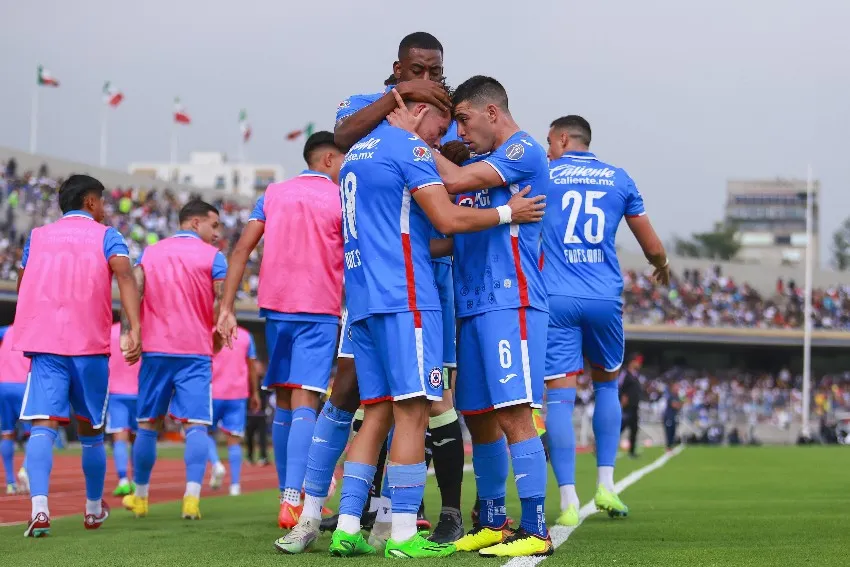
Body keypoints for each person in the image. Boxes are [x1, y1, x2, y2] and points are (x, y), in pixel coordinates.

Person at [327, 88, 543, 560]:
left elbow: (424, 228)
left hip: (362, 298)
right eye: (444, 126)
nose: (449, 137)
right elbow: (445, 214)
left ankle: (347, 526)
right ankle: (404, 532)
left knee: (377, 413)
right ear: (419, 112)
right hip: (407, 299)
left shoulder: (354, 156)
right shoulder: (407, 148)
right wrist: (509, 212)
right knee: (414, 411)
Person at [277, 31, 463, 555]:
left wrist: (442, 145)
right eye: (419, 71)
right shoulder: (370, 112)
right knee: (354, 397)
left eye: (436, 73)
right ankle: (314, 514)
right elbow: (343, 134)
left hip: (407, 275)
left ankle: (361, 523)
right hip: (395, 285)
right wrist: (404, 106)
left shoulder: (424, 131)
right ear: (399, 68)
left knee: (395, 406)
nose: (430, 80)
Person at [406, 76, 553, 558]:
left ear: (492, 112)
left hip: (511, 302)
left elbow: (452, 182)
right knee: (478, 415)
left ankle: (535, 527)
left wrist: (413, 141)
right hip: (471, 306)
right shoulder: (480, 164)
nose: (461, 131)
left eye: (465, 119)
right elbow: (456, 229)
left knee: (513, 412)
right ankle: (492, 519)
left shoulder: (524, 150)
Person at [540, 115, 670, 526]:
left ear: (563, 139)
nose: (547, 150)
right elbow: (650, 245)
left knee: (559, 397)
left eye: (549, 142)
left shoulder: (544, 173)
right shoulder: (619, 179)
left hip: (556, 296)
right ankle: (607, 486)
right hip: (603, 297)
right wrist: (661, 264)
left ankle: (567, 500)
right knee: (607, 385)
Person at [217, 132, 345, 529]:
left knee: (287, 401)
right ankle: (295, 500)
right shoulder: (340, 197)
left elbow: (241, 250)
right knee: (307, 397)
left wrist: (225, 307)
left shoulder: (272, 194)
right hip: (318, 306)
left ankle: (289, 496)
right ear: (327, 159)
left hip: (275, 307)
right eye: (343, 160)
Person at [14, 174, 142, 537]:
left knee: (43, 424)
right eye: (101, 202)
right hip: (89, 344)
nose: (104, 209)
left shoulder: (37, 237)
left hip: (45, 343)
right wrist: (133, 328)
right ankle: (91, 509)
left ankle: (39, 509)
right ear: (90, 202)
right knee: (90, 430)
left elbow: (24, 286)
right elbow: (126, 277)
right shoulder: (107, 236)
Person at [121, 199, 226, 521]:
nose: (217, 233)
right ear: (196, 223)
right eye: (214, 225)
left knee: (147, 425)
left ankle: (140, 498)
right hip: (195, 351)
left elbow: (133, 290)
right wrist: (218, 338)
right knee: (196, 426)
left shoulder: (151, 252)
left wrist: (130, 332)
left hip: (155, 349)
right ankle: (191, 499)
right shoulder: (214, 257)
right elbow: (222, 301)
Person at [207, 325, 260, 496]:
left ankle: (216, 464)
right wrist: (255, 393)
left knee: (203, 432)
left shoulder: (211, 333)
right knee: (234, 440)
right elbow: (252, 367)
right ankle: (235, 486)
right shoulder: (245, 336)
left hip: (213, 392)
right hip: (238, 393)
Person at [106, 322, 140, 497]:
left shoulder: (110, 332)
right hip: (140, 392)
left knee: (120, 436)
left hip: (117, 393)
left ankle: (123, 481)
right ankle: (137, 480)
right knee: (137, 438)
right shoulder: (143, 329)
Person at [0, 325, 31, 494]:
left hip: (3, 385)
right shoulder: (37, 329)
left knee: (7, 433)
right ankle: (26, 469)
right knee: (37, 432)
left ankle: (10, 483)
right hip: (24, 385)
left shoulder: (8, 331)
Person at [620, 354, 645, 460]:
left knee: (634, 429)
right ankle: (603, 448)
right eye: (637, 361)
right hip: (627, 407)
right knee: (619, 429)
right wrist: (622, 398)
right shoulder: (625, 373)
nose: (639, 364)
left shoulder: (636, 375)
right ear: (632, 362)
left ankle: (632, 452)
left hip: (634, 406)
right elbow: (620, 386)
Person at [664, 382, 682, 451]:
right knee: (669, 432)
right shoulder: (671, 396)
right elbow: (675, 405)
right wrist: (680, 404)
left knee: (673, 432)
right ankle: (668, 447)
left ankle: (671, 446)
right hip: (669, 417)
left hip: (674, 417)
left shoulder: (677, 396)